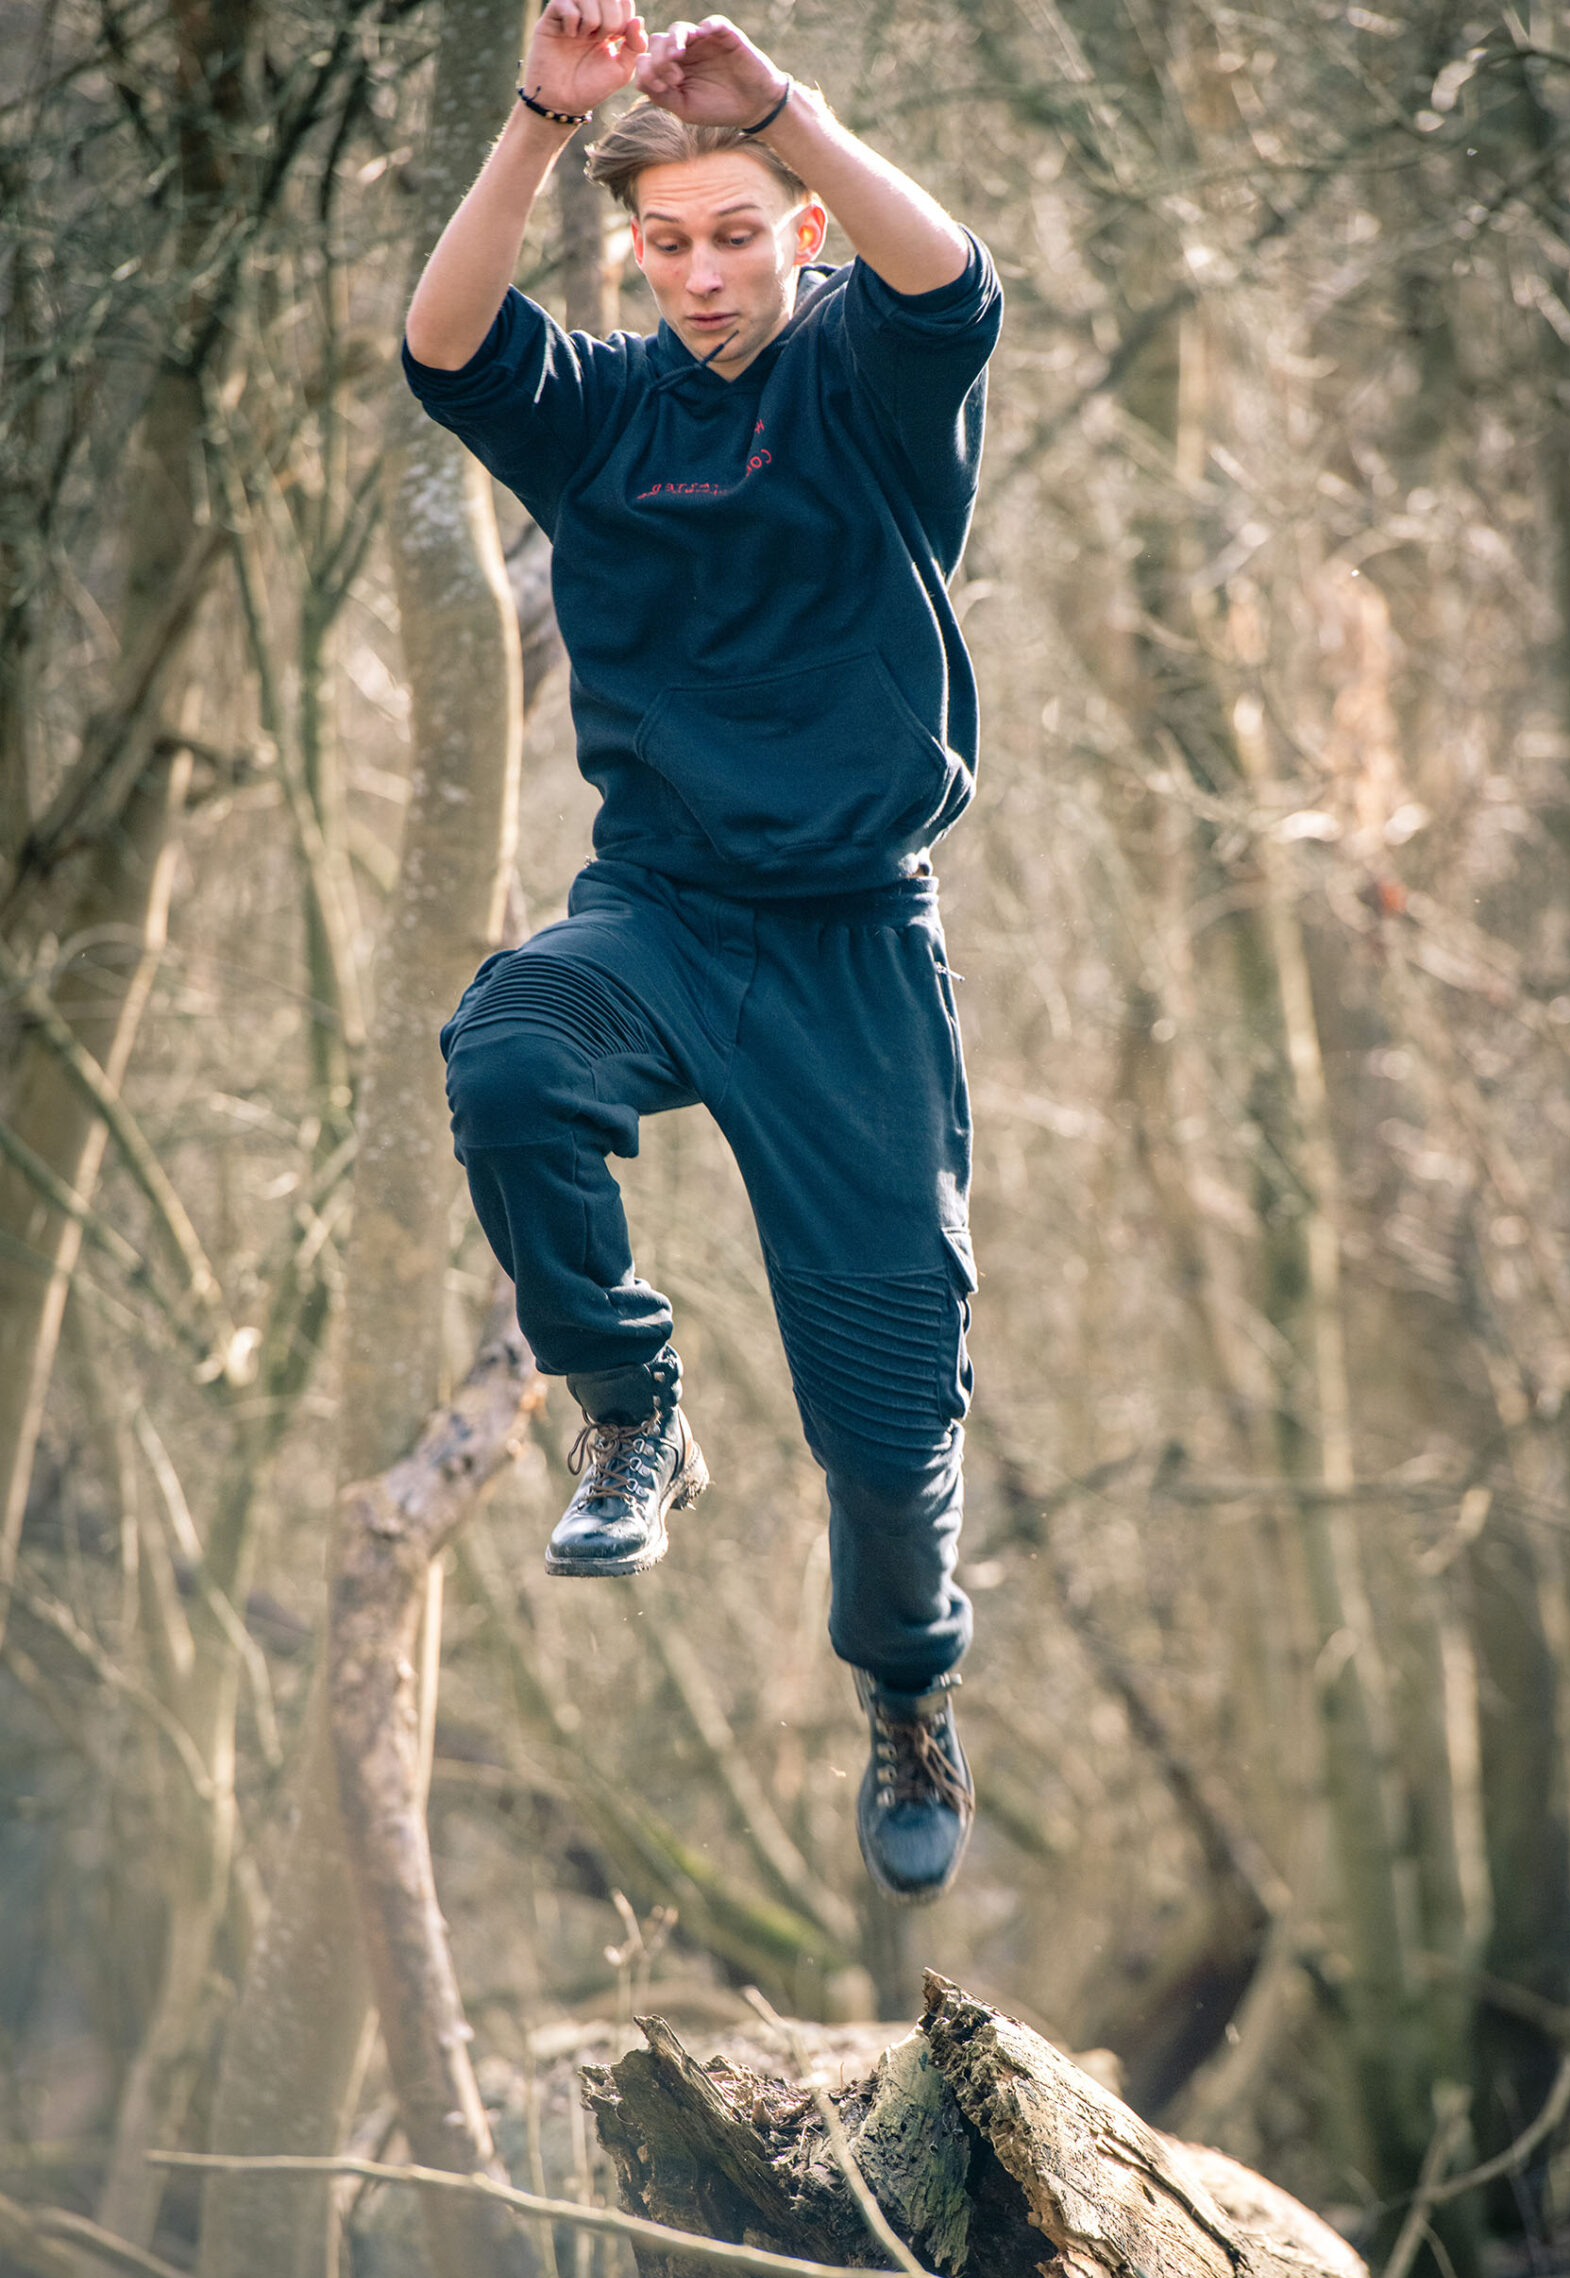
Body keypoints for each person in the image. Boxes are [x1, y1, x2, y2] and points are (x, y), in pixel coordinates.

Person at [402, 4, 1000, 1903]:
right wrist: (535, 121)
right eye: (668, 243)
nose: (704, 273)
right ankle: (630, 1410)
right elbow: (442, 345)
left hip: (853, 949)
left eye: (737, 234)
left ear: (797, 233)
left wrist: (790, 118)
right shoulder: (600, 414)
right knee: (509, 1053)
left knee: (891, 1424)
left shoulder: (867, 382)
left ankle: (905, 1691)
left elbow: (954, 281)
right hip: (660, 912)